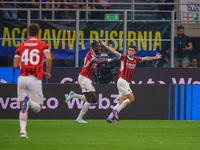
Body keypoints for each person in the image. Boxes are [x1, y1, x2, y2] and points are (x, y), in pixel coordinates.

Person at [100, 40, 162, 123]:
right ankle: (116, 111)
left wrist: (154, 57)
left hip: (126, 82)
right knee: (132, 99)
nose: (130, 51)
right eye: (129, 50)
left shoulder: (136, 59)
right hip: (122, 80)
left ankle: (109, 117)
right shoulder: (124, 57)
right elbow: (114, 52)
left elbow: (146, 58)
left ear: (135, 52)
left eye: (132, 50)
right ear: (127, 51)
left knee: (121, 101)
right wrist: (106, 46)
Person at [13, 23, 52, 138]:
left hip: (22, 78)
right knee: (38, 108)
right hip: (34, 78)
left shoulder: (20, 46)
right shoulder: (43, 45)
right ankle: (29, 102)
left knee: (23, 108)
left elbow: (15, 65)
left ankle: (23, 132)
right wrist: (48, 71)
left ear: (28, 33)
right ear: (38, 33)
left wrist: (25, 65)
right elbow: (48, 58)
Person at [65, 41, 118, 123]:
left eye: (100, 47)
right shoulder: (90, 54)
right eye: (98, 47)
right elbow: (98, 62)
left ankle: (74, 95)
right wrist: (111, 60)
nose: (100, 48)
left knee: (94, 100)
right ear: (94, 48)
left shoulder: (95, 55)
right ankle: (79, 118)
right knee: (89, 100)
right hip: (84, 77)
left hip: (87, 78)